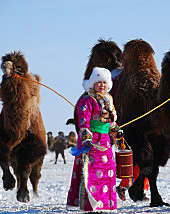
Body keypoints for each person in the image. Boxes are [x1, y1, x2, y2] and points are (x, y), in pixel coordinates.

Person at [67, 67, 120, 212]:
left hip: (105, 142)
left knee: (108, 172)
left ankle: (105, 204)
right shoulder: (87, 100)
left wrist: (116, 130)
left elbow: (109, 122)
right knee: (91, 173)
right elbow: (83, 121)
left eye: (104, 82)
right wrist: (86, 139)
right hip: (91, 142)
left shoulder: (108, 99)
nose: (102, 85)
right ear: (93, 84)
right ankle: (90, 205)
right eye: (99, 82)